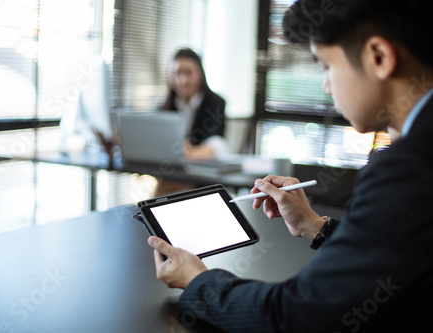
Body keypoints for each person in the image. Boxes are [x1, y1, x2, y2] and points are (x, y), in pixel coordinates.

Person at [147, 0, 433, 332]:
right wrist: (316, 225)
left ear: (378, 57)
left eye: (326, 66)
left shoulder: (410, 167)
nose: (326, 86)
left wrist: (198, 280)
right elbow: (394, 254)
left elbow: (294, 316)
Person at [154, 48, 229, 196]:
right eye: (176, 74)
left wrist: (190, 152)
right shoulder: (165, 106)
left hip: (204, 175)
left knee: (164, 192)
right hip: (174, 172)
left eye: (189, 73)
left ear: (200, 73)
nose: (182, 80)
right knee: (163, 190)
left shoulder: (216, 104)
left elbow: (217, 142)